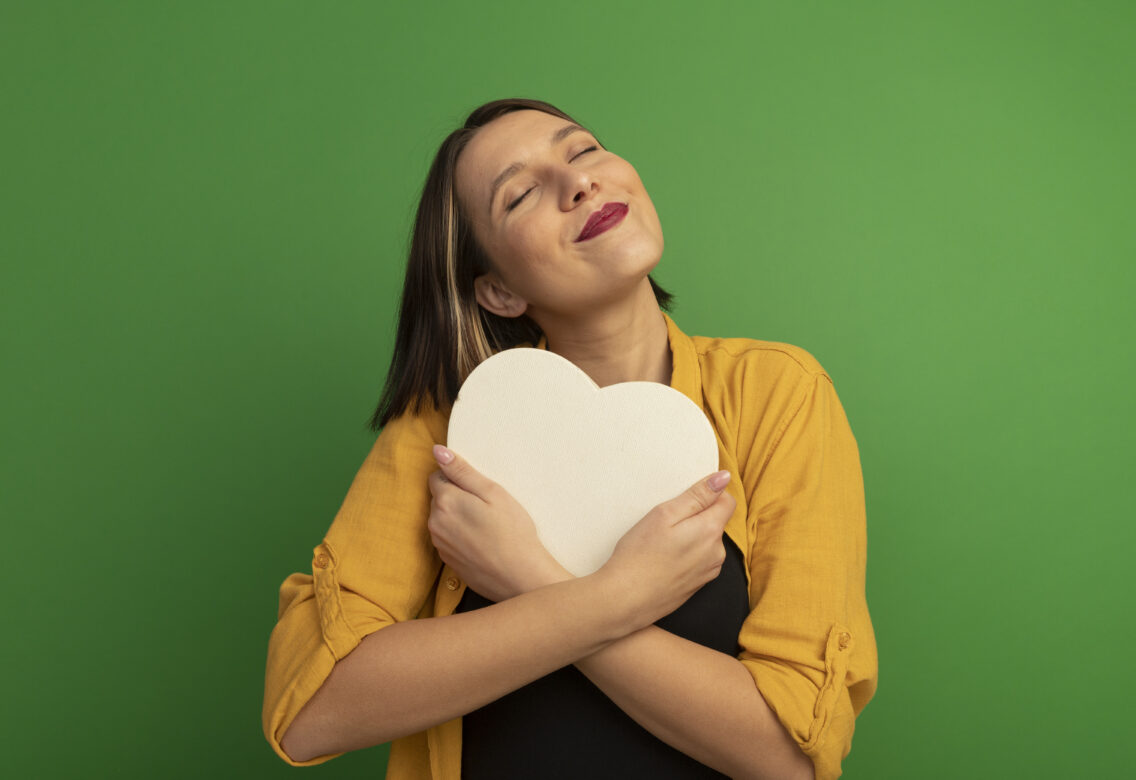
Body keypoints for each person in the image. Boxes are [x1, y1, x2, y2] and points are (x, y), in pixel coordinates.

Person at [261, 98, 877, 779]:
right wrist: (618, 597)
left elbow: (787, 756)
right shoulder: (448, 428)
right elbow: (312, 706)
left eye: (582, 151)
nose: (579, 183)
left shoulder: (776, 394)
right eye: (521, 194)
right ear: (497, 291)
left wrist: (527, 576)